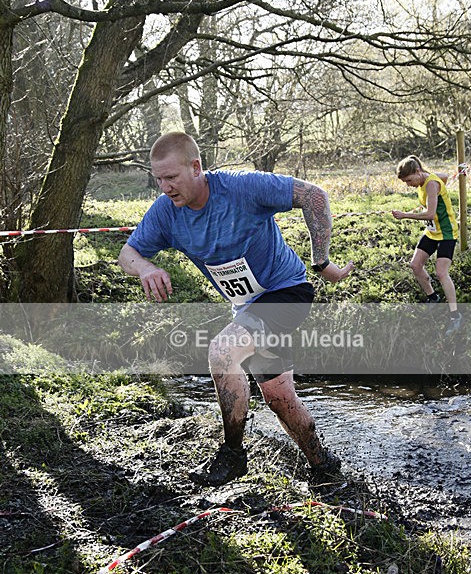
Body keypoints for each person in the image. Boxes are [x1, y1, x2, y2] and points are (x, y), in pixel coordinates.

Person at [118, 132, 354, 486]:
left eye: (172, 177)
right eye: (159, 179)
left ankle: (232, 455)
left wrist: (321, 263)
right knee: (278, 397)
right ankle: (323, 466)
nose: (165, 187)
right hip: (247, 308)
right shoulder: (166, 212)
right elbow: (127, 254)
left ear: (196, 167)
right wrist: (147, 268)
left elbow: (314, 196)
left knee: (222, 350)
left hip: (287, 292)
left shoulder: (242, 188)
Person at [392, 154, 462, 335]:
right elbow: (445, 176)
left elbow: (430, 214)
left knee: (441, 272)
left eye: (409, 180)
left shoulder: (430, 184)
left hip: (446, 232)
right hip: (432, 232)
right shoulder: (426, 178)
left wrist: (405, 215)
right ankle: (433, 297)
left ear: (417, 171)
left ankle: (455, 316)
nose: (408, 185)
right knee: (415, 265)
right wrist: (455, 174)